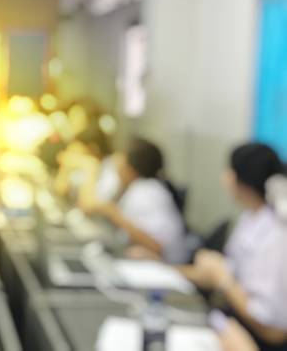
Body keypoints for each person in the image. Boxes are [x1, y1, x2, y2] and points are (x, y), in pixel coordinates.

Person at [183, 143, 287, 351]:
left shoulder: (277, 235)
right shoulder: (251, 218)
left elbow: (275, 330)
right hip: (232, 328)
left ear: (240, 178)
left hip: (251, 340)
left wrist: (223, 278)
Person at [82, 137, 188, 264]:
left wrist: (114, 214)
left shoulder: (146, 192)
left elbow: (156, 246)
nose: (116, 165)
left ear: (130, 169)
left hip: (166, 268)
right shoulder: (142, 188)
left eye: (120, 160)